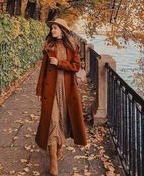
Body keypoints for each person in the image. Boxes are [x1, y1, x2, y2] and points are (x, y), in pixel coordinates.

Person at [35, 18, 88, 175]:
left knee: (63, 122)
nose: (53, 31)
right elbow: (43, 70)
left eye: (55, 28)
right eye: (52, 29)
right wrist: (39, 90)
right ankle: (53, 161)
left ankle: (58, 149)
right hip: (50, 92)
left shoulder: (73, 47)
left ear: (63, 30)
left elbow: (76, 67)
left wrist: (59, 63)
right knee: (52, 121)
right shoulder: (49, 47)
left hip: (66, 91)